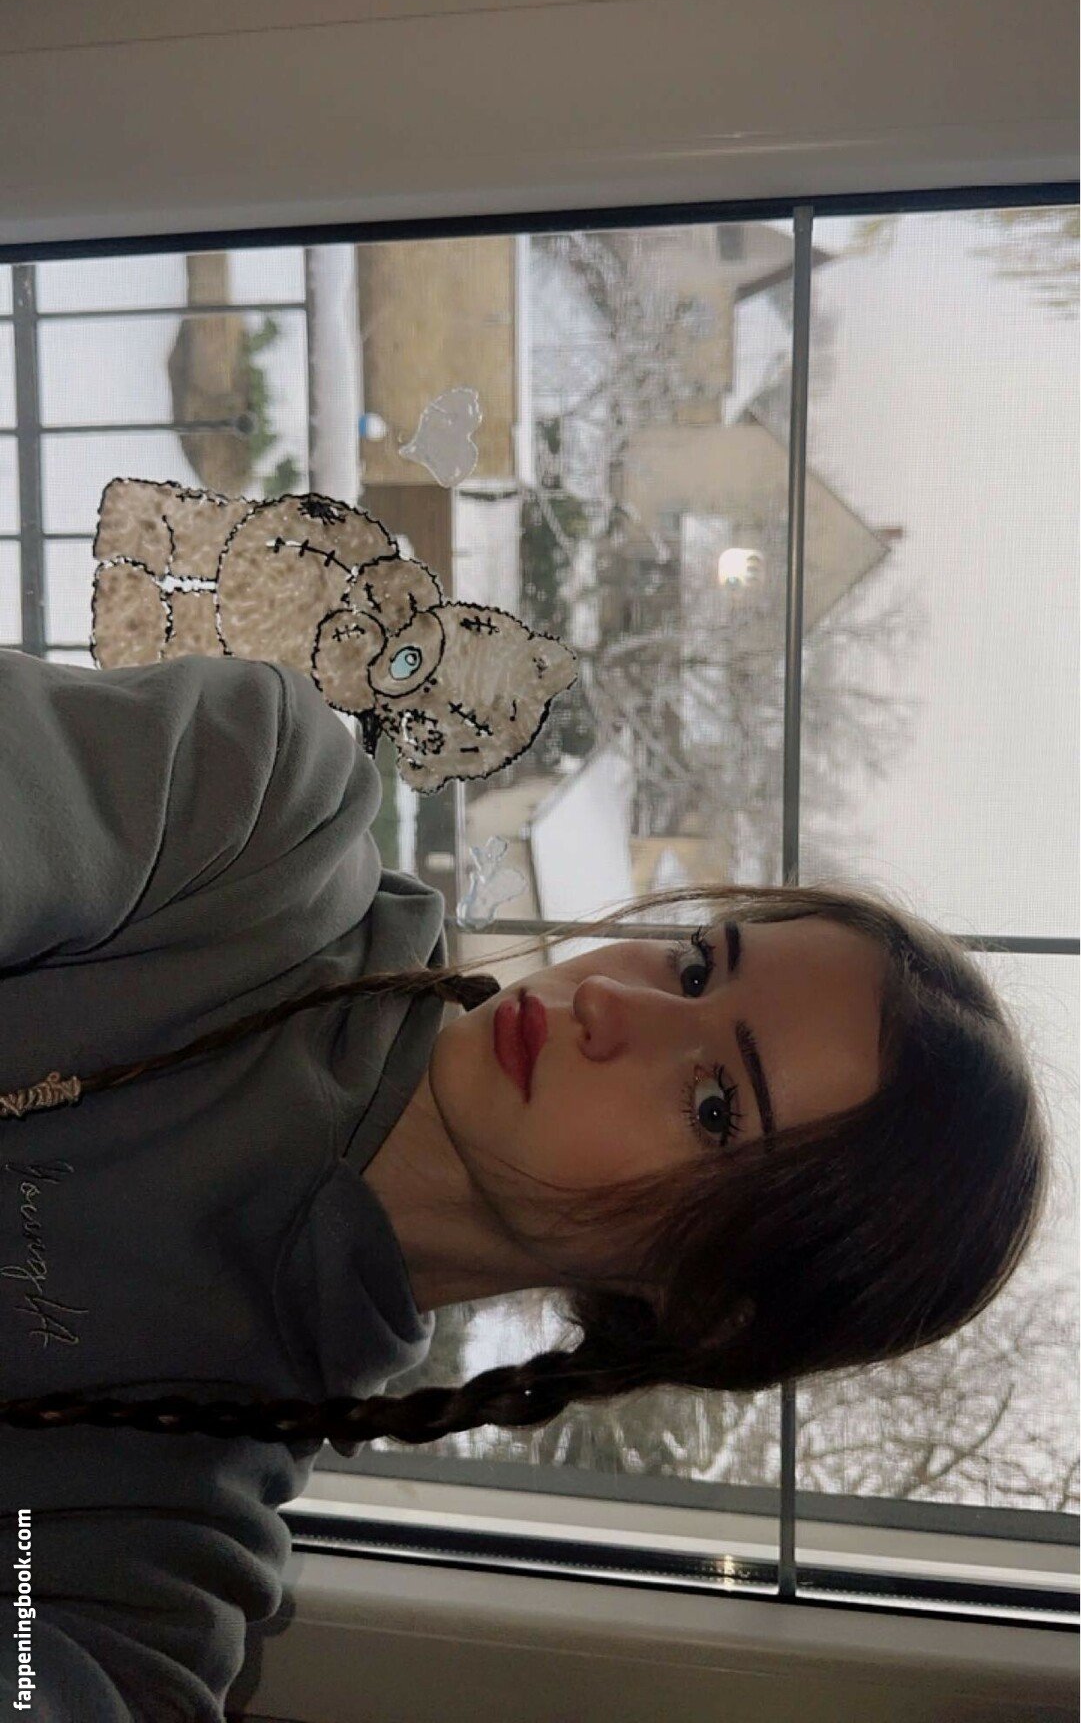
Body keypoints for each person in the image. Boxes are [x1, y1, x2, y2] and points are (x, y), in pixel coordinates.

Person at [0, 649, 1050, 1720]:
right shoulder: (260, 814)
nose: (608, 1002)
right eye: (693, 965)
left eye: (714, 1107)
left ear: (701, 1304)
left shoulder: (153, 1552)